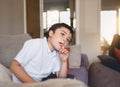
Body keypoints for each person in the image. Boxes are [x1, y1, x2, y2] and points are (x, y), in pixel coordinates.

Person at [10, 23, 74, 83]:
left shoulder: (56, 53)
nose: (65, 39)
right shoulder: (36, 44)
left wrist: (64, 61)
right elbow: (14, 66)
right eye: (62, 34)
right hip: (23, 83)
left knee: (71, 80)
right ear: (51, 33)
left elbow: (61, 80)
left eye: (68, 39)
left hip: (39, 82)